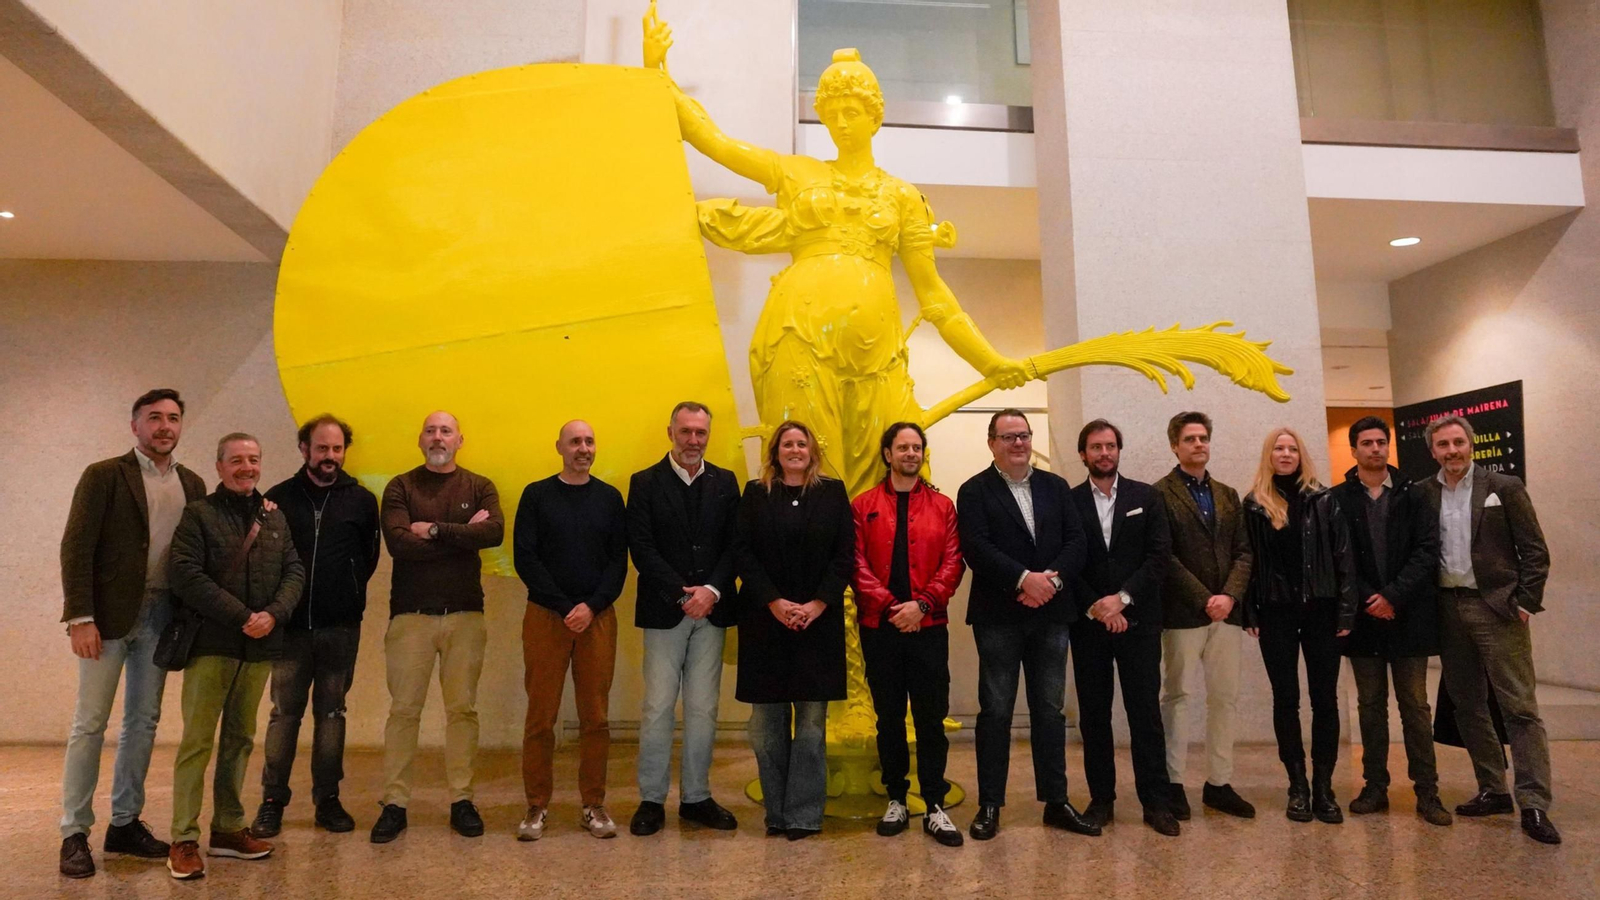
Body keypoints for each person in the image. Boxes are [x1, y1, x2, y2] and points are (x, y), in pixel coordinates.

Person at [58, 389, 207, 878]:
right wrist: (80, 617)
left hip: (162, 617)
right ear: (135, 425)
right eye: (154, 418)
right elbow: (76, 547)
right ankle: (73, 832)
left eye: (173, 418)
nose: (165, 426)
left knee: (143, 723)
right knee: (90, 725)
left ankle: (124, 824)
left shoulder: (193, 482)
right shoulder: (103, 475)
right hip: (106, 620)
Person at [164, 433, 304, 879]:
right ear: (220, 466)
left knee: (241, 740)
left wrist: (273, 615)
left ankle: (226, 829)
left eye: (254, 460)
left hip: (260, 646)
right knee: (197, 742)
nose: (247, 467)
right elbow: (185, 574)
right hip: (213, 646)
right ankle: (183, 838)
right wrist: (244, 615)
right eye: (237, 460)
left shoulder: (274, 517)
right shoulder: (199, 514)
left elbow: (294, 571)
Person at [956, 409, 1095, 842]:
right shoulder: (974, 490)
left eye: (1024, 435)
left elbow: (1077, 541)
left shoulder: (1055, 486)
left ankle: (1056, 801)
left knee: (1049, 711)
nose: (1018, 443)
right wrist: (1023, 579)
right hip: (999, 615)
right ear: (992, 442)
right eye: (1008, 436)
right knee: (996, 711)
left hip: (1051, 612)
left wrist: (1048, 581)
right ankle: (990, 804)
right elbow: (976, 547)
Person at [1421, 415, 1559, 844]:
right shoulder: (1425, 494)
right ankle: (1494, 789)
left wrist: (1524, 602)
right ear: (1433, 451)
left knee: (1519, 707)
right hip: (1447, 607)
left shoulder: (1504, 487)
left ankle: (1533, 802)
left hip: (1496, 608)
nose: (1452, 451)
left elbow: (1535, 550)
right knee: (1467, 705)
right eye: (1443, 444)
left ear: (1471, 444)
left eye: (1458, 442)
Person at [371, 412, 504, 843]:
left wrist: (432, 530)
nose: (438, 436)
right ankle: (394, 803)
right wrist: (462, 534)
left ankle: (462, 801)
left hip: (465, 614)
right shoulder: (400, 486)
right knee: (403, 712)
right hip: (411, 617)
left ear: (460, 440)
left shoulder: (479, 485)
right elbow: (398, 545)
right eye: (430, 430)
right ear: (420, 439)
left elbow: (495, 533)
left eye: (446, 430)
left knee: (462, 711)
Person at [251, 415, 380, 838]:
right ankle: (272, 801)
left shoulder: (361, 500)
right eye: (322, 448)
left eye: (337, 448)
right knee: (284, 715)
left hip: (341, 628)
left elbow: (369, 558)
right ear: (304, 449)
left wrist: (349, 591)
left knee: (332, 714)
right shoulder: (276, 498)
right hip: (288, 629)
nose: (330, 457)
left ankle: (328, 800)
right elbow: (264, 560)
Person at [625, 402, 741, 836]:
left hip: (712, 610)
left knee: (703, 708)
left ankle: (696, 797)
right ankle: (652, 799)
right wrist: (681, 594)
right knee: (656, 708)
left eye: (701, 433)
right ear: (669, 431)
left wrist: (710, 591)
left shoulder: (726, 482)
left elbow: (736, 545)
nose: (694, 440)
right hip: (664, 611)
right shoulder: (644, 483)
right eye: (686, 431)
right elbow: (642, 548)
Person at [734, 421, 854, 840]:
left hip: (817, 626)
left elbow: (845, 556)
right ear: (775, 451)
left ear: (812, 451)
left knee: (810, 730)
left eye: (802, 443)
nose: (795, 449)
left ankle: (803, 815)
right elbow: (743, 554)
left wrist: (817, 604)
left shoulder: (833, 494)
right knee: (766, 730)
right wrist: (775, 602)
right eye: (788, 443)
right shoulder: (755, 493)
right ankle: (776, 814)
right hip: (765, 624)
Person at [1329, 416, 1451, 826]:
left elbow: (1427, 550)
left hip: (1408, 616)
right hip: (1364, 620)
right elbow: (1338, 559)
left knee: (1415, 705)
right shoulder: (1338, 499)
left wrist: (1393, 596)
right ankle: (1374, 786)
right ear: (1354, 450)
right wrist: (1371, 598)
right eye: (1367, 443)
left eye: (1382, 442)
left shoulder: (1414, 495)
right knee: (1370, 704)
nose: (1376, 449)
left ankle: (1427, 791)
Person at [851, 422, 965, 847]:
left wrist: (922, 605)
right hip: (881, 628)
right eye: (903, 447)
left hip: (929, 627)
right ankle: (896, 797)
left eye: (917, 447)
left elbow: (954, 563)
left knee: (931, 719)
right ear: (887, 454)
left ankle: (934, 804)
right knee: (890, 718)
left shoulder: (943, 506)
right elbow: (855, 563)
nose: (911, 454)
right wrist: (889, 606)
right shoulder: (862, 506)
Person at [513, 420, 628, 841]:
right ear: (559, 447)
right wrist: (566, 607)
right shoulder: (536, 495)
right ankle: (536, 806)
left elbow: (618, 562)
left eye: (589, 441)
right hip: (547, 616)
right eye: (575, 441)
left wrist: (591, 606)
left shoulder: (610, 499)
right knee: (541, 717)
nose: (583, 448)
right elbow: (525, 558)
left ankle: (593, 805)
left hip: (597, 618)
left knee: (595, 718)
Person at [1067, 419, 1179, 837]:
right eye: (1095, 447)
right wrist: (1098, 605)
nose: (1104, 453)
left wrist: (1123, 599)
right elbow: (1067, 559)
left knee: (1145, 714)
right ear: (1083, 454)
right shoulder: (1069, 501)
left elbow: (1158, 556)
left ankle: (1156, 802)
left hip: (1138, 622)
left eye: (1111, 445)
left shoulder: (1146, 497)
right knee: (1094, 716)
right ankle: (1102, 801)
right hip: (1090, 623)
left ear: (1119, 450)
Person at [1241, 427, 1355, 824]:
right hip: (1275, 614)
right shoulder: (1255, 504)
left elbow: (1345, 560)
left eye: (1292, 448)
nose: (1285, 454)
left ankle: (1324, 787)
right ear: (1268, 455)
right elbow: (1248, 564)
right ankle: (1298, 786)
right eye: (1278, 448)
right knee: (1285, 699)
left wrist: (1346, 613)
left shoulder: (1326, 500)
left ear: (1301, 455)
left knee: (1325, 700)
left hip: (1322, 612)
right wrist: (1249, 612)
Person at [1153, 411, 1254, 820]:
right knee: (1178, 697)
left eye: (1204, 438)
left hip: (1226, 615)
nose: (1199, 444)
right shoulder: (1158, 493)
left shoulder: (1229, 495)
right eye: (1190, 439)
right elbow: (1164, 556)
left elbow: (1245, 552)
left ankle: (1219, 783)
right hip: (1183, 614)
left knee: (1225, 699)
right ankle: (1173, 783)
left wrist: (1228, 596)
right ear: (1175, 445)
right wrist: (1204, 598)